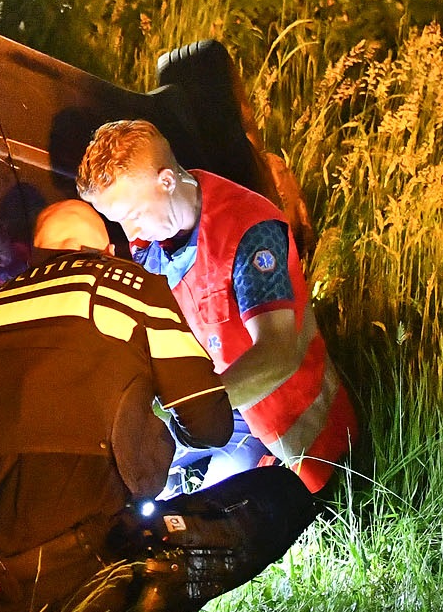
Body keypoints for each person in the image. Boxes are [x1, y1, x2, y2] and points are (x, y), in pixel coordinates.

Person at [0, 199, 232, 612]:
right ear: (106, 249)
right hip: (71, 549)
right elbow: (210, 424)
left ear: (37, 254)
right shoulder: (134, 288)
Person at [77, 120, 359, 494]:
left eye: (132, 214)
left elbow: (278, 354)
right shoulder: (149, 237)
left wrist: (182, 409)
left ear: (166, 181)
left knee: (211, 514)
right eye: (117, 221)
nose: (130, 231)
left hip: (283, 418)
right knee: (119, 477)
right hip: (208, 405)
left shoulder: (249, 229)